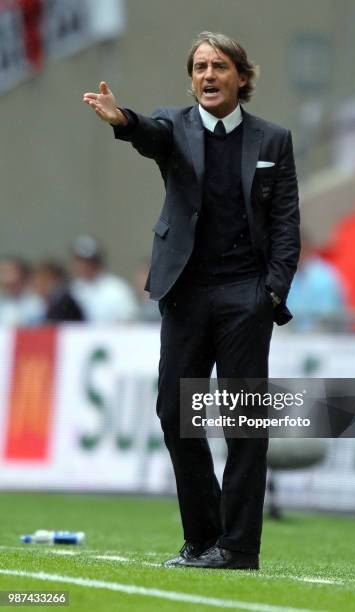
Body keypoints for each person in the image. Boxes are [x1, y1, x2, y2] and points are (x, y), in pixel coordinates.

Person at [83, 31, 300, 570]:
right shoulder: (173, 127)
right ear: (192, 77)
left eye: (219, 66)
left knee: (244, 423)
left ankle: (239, 547)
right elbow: (148, 134)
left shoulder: (273, 140)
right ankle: (204, 539)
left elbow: (286, 225)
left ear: (241, 78)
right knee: (175, 413)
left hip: (245, 296)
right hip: (185, 293)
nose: (208, 75)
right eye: (200, 67)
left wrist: (271, 291)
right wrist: (122, 120)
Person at [70, 234, 138, 323]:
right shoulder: (73, 289)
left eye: (87, 261)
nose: (82, 266)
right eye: (79, 261)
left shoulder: (117, 288)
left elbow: (129, 320)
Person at [0, 256, 44, 326]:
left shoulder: (35, 301)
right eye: (2, 272)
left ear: (22, 274)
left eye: (9, 271)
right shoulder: (3, 301)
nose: (5, 277)